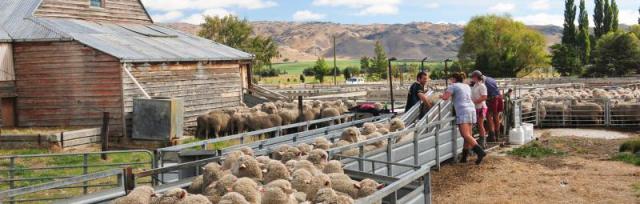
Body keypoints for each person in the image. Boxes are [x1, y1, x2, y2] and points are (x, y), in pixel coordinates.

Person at [440, 72, 487, 164]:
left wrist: (440, 95)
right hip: (471, 109)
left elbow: (445, 97)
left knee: (465, 135)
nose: (450, 80)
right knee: (468, 135)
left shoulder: (453, 85)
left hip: (462, 110)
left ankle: (480, 152)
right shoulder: (466, 86)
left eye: (451, 79)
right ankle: (464, 157)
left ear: (454, 79)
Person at [476, 70, 503, 142]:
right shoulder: (491, 78)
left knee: (488, 116)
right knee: (496, 115)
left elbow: (484, 94)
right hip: (499, 97)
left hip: (492, 99)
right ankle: (497, 135)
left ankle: (492, 135)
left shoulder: (483, 82)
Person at [470, 72, 488, 148]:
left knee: (480, 124)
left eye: (473, 76)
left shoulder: (481, 86)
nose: (472, 78)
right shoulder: (475, 85)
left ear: (476, 77)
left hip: (481, 107)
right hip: (476, 107)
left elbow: (484, 97)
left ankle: (482, 142)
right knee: (478, 124)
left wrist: (474, 102)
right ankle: (480, 142)